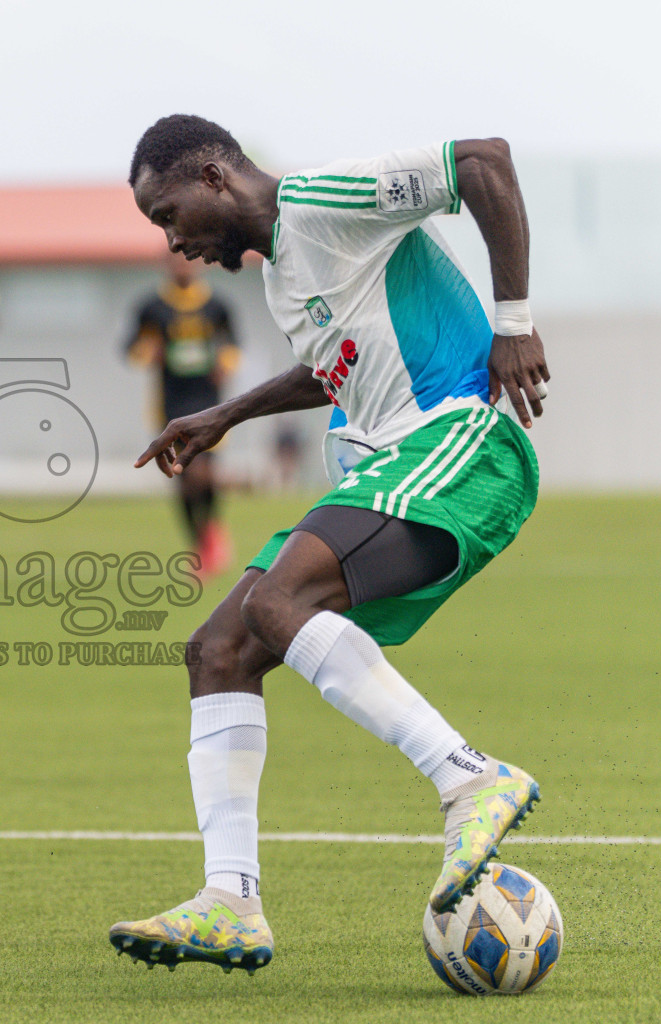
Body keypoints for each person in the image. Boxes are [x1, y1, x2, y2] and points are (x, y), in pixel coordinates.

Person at [110, 115, 549, 974]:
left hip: (460, 443)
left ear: (212, 175)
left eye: (168, 215)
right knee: (220, 649)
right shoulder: (283, 278)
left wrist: (515, 323)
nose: (172, 240)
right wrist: (224, 414)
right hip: (386, 468)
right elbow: (336, 366)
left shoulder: (321, 200)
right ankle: (231, 900)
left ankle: (469, 779)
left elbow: (484, 164)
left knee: (278, 603)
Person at [126, 251, 240, 576]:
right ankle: (200, 545)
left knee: (204, 472)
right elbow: (131, 348)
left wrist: (225, 363)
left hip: (210, 402)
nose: (182, 267)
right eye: (175, 262)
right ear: (166, 265)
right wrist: (150, 353)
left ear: (198, 263)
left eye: (187, 261)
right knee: (182, 476)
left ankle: (211, 533)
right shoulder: (152, 306)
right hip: (170, 404)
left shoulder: (216, 305)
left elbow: (232, 344)